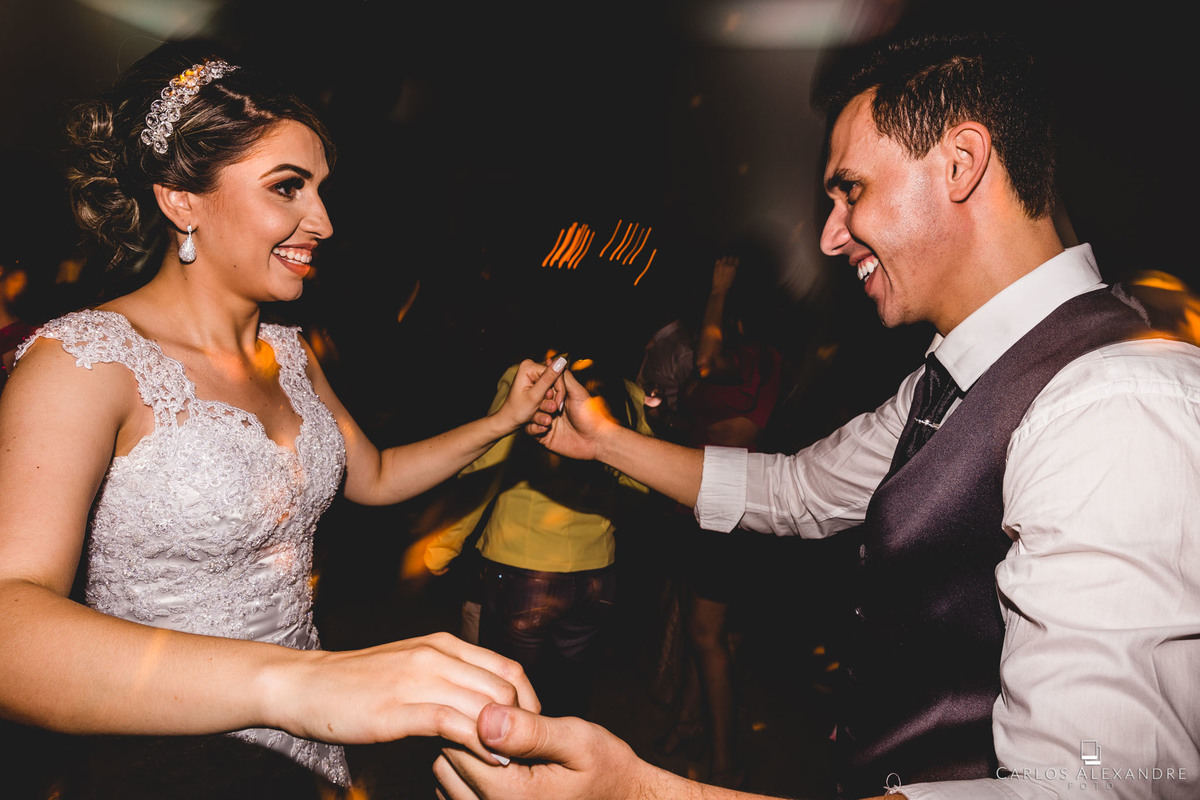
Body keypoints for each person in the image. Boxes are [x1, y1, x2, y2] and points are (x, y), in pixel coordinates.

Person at [433, 31, 1200, 800]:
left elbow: (1084, 789)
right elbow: (796, 491)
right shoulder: (952, 377)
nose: (832, 235)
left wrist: (636, 793)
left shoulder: (1115, 407)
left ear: (960, 165)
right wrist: (602, 440)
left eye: (851, 191)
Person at [0, 43, 566, 797]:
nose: (323, 222)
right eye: (287, 188)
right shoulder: (84, 361)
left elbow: (378, 476)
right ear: (180, 198)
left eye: (322, 191)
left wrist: (500, 422)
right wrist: (299, 686)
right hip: (168, 757)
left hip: (306, 747)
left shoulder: (289, 354)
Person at [424, 355, 654, 719]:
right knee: (567, 700)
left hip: (524, 568)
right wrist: (604, 519)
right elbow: (641, 482)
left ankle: (510, 772)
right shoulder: (627, 391)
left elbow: (486, 465)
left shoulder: (529, 379)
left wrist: (442, 547)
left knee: (509, 704)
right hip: (596, 576)